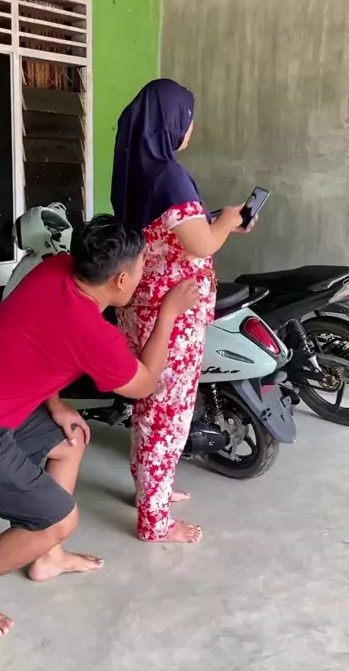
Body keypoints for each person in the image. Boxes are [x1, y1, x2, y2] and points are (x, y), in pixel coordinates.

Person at [0, 214, 199, 639]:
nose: (143, 275)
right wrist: (169, 314)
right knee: (59, 519)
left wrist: (56, 403)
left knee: (71, 439)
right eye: (141, 267)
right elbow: (144, 384)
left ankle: (48, 557)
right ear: (121, 280)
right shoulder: (92, 333)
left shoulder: (56, 269)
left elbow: (32, 342)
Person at [111, 79, 252, 545]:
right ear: (172, 121)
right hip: (170, 316)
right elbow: (201, 243)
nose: (190, 126)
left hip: (143, 307)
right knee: (167, 412)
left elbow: (172, 233)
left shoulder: (136, 169)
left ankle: (151, 488)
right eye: (187, 117)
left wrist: (217, 223)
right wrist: (227, 220)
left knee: (149, 405)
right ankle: (155, 520)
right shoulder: (168, 174)